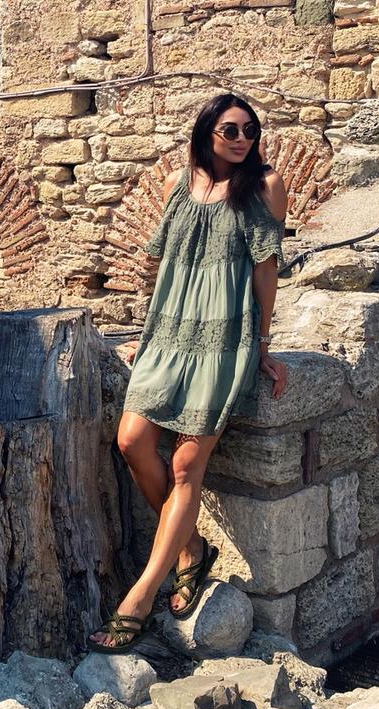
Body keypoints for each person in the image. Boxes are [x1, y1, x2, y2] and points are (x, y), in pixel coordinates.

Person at [88, 93, 289, 653]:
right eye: (231, 130)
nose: (243, 139)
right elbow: (169, 264)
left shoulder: (265, 186)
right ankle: (192, 549)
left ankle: (140, 596)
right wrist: (148, 333)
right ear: (206, 133)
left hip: (225, 338)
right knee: (132, 441)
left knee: (184, 465)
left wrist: (264, 345)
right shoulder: (181, 183)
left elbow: (265, 270)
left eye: (250, 130)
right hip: (169, 333)